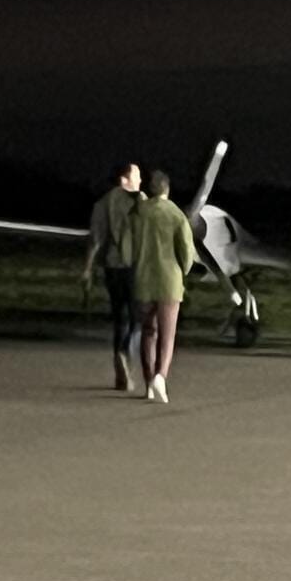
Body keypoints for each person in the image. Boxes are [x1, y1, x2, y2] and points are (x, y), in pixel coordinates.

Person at [118, 168, 197, 403]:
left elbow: (126, 248)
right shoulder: (176, 215)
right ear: (167, 189)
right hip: (169, 282)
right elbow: (187, 254)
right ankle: (161, 376)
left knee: (148, 332)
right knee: (167, 335)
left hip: (143, 280)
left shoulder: (137, 213)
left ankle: (148, 384)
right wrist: (183, 270)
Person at [82, 162, 143, 390]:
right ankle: (125, 354)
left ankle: (120, 373)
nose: (140, 180)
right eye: (136, 176)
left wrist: (87, 269)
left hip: (111, 267)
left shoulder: (102, 203)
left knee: (120, 319)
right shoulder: (140, 201)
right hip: (133, 266)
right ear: (124, 180)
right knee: (138, 319)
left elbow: (95, 240)